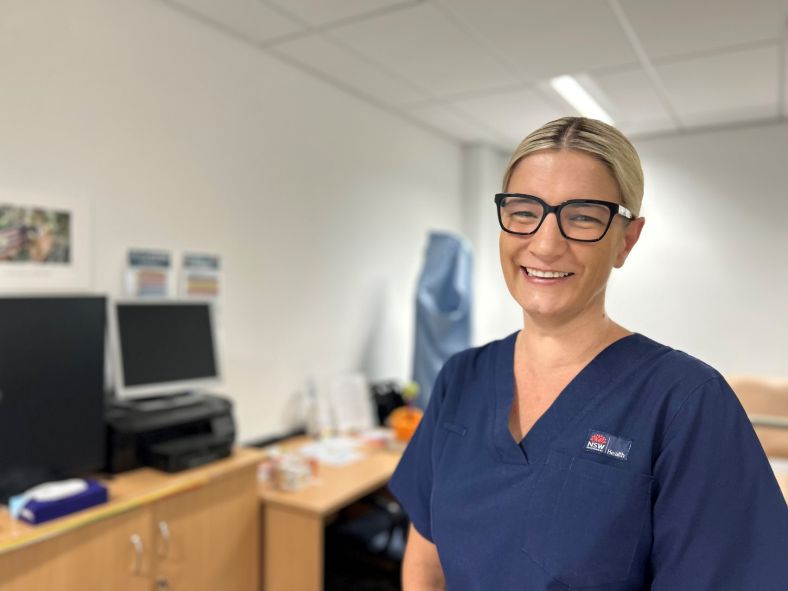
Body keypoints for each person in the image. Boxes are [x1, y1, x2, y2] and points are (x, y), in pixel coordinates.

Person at [389, 117, 788, 590]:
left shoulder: (685, 402)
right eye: (523, 211)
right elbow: (425, 558)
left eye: (582, 216)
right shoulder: (461, 378)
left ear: (626, 240)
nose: (545, 243)